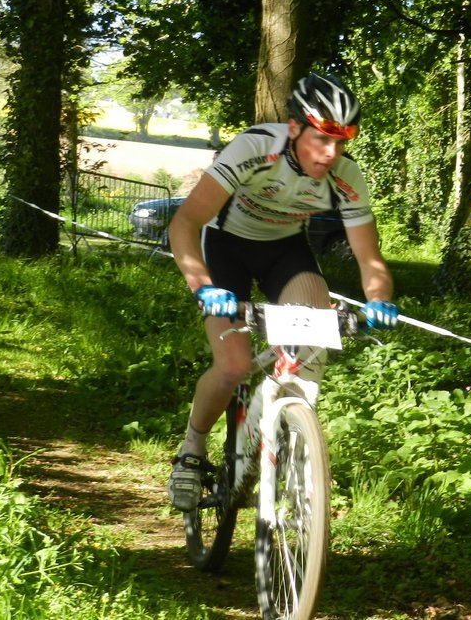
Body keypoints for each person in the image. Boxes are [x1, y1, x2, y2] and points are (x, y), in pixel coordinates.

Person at [165, 72, 398, 511]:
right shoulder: (256, 148)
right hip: (225, 246)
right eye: (321, 139)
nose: (330, 153)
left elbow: (370, 260)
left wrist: (379, 299)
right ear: (294, 128)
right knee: (233, 366)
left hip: (285, 250)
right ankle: (192, 449)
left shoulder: (346, 175)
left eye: (341, 141)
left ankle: (287, 433)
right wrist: (203, 287)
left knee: (310, 347)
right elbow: (185, 223)